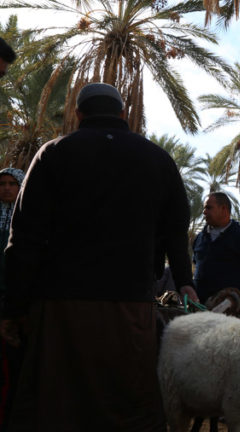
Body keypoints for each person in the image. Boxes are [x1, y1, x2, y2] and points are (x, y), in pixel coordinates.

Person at [0, 83, 193, 430]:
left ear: (78, 114)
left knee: (58, 405)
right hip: (131, 308)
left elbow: (24, 238)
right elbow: (177, 230)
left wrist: (12, 308)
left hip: (61, 309)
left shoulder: (54, 153)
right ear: (123, 114)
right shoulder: (158, 159)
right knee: (127, 405)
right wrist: (186, 282)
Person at [192, 192, 240, 304]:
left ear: (224, 209)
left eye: (208, 208)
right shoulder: (200, 238)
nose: (204, 212)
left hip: (229, 309)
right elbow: (196, 263)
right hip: (198, 307)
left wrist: (234, 284)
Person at [0, 167, 23, 430]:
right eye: (2, 183)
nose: (6, 188)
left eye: (11, 184)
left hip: (15, 300)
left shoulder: (26, 220)